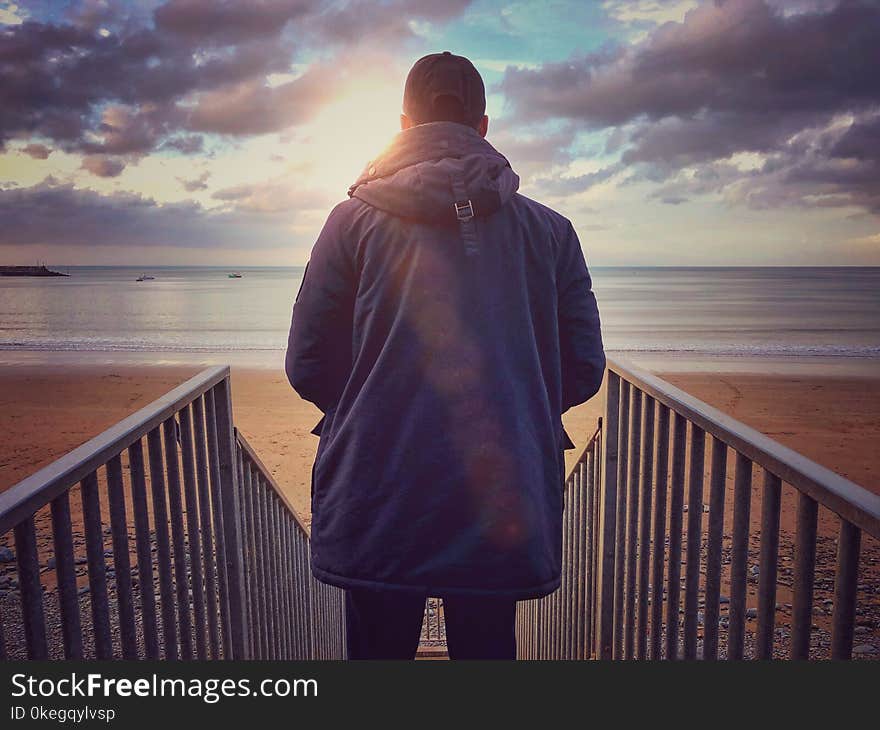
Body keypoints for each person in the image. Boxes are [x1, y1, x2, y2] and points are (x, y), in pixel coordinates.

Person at [285, 51, 605, 660]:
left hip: (378, 485)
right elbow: (584, 367)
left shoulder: (350, 224)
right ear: (483, 127)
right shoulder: (551, 232)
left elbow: (306, 362)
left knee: (377, 655)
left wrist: (367, 405)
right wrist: (515, 404)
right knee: (487, 652)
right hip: (502, 487)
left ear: (402, 124)